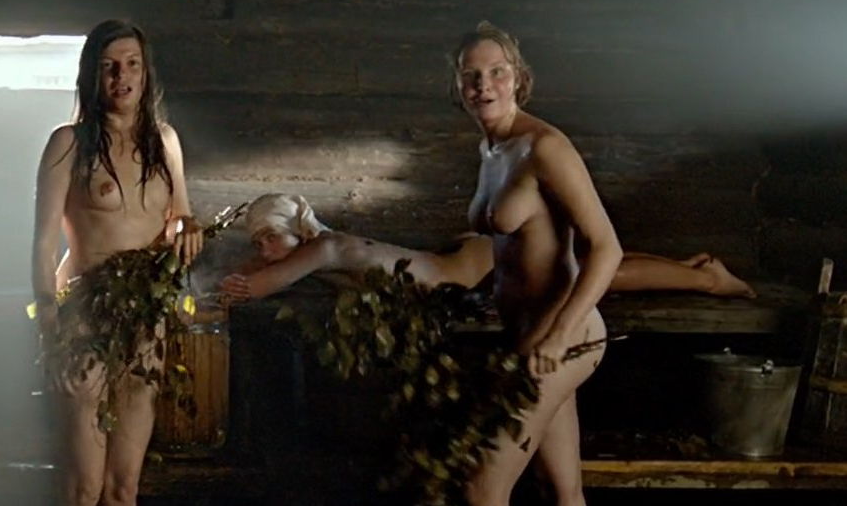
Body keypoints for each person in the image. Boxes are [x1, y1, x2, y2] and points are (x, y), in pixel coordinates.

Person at [405, 21, 624, 506]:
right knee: (561, 487)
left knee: (482, 488)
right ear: (458, 86)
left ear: (518, 76)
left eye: (496, 72)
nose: (484, 85)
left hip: (563, 341)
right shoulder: (492, 148)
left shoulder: (544, 147)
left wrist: (556, 337)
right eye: (471, 75)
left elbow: (607, 249)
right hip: (527, 340)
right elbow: (514, 247)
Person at [31, 19, 203, 506]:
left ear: (145, 72)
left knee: (124, 484)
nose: (121, 76)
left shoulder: (165, 143)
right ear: (91, 74)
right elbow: (44, 243)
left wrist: (188, 232)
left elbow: (181, 217)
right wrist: (51, 327)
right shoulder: (67, 145)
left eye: (131, 64)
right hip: (85, 321)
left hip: (145, 327)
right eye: (109, 65)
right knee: (83, 484)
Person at [219, 193, 754, 302]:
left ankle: (707, 279)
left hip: (471, 273)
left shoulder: (324, 248)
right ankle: (691, 266)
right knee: (582, 266)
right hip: (464, 262)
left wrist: (202, 294)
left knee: (595, 275)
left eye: (270, 237)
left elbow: (255, 287)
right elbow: (261, 272)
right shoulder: (315, 253)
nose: (265, 249)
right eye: (258, 241)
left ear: (298, 232)